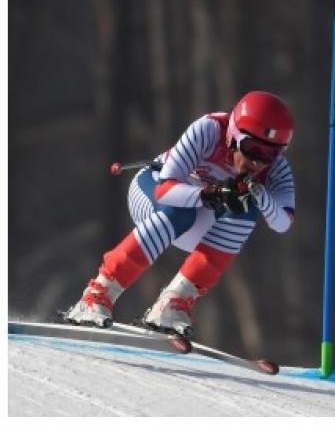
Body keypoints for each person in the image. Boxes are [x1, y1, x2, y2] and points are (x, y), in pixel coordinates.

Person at [63, 91, 297, 337]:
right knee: (181, 212)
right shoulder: (209, 129)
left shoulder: (276, 171)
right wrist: (210, 193)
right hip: (152, 195)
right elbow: (165, 189)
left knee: (245, 212)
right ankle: (97, 294)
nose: (257, 162)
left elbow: (282, 222)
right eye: (251, 148)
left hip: (199, 220)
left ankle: (173, 302)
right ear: (233, 134)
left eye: (270, 154)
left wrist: (258, 193)